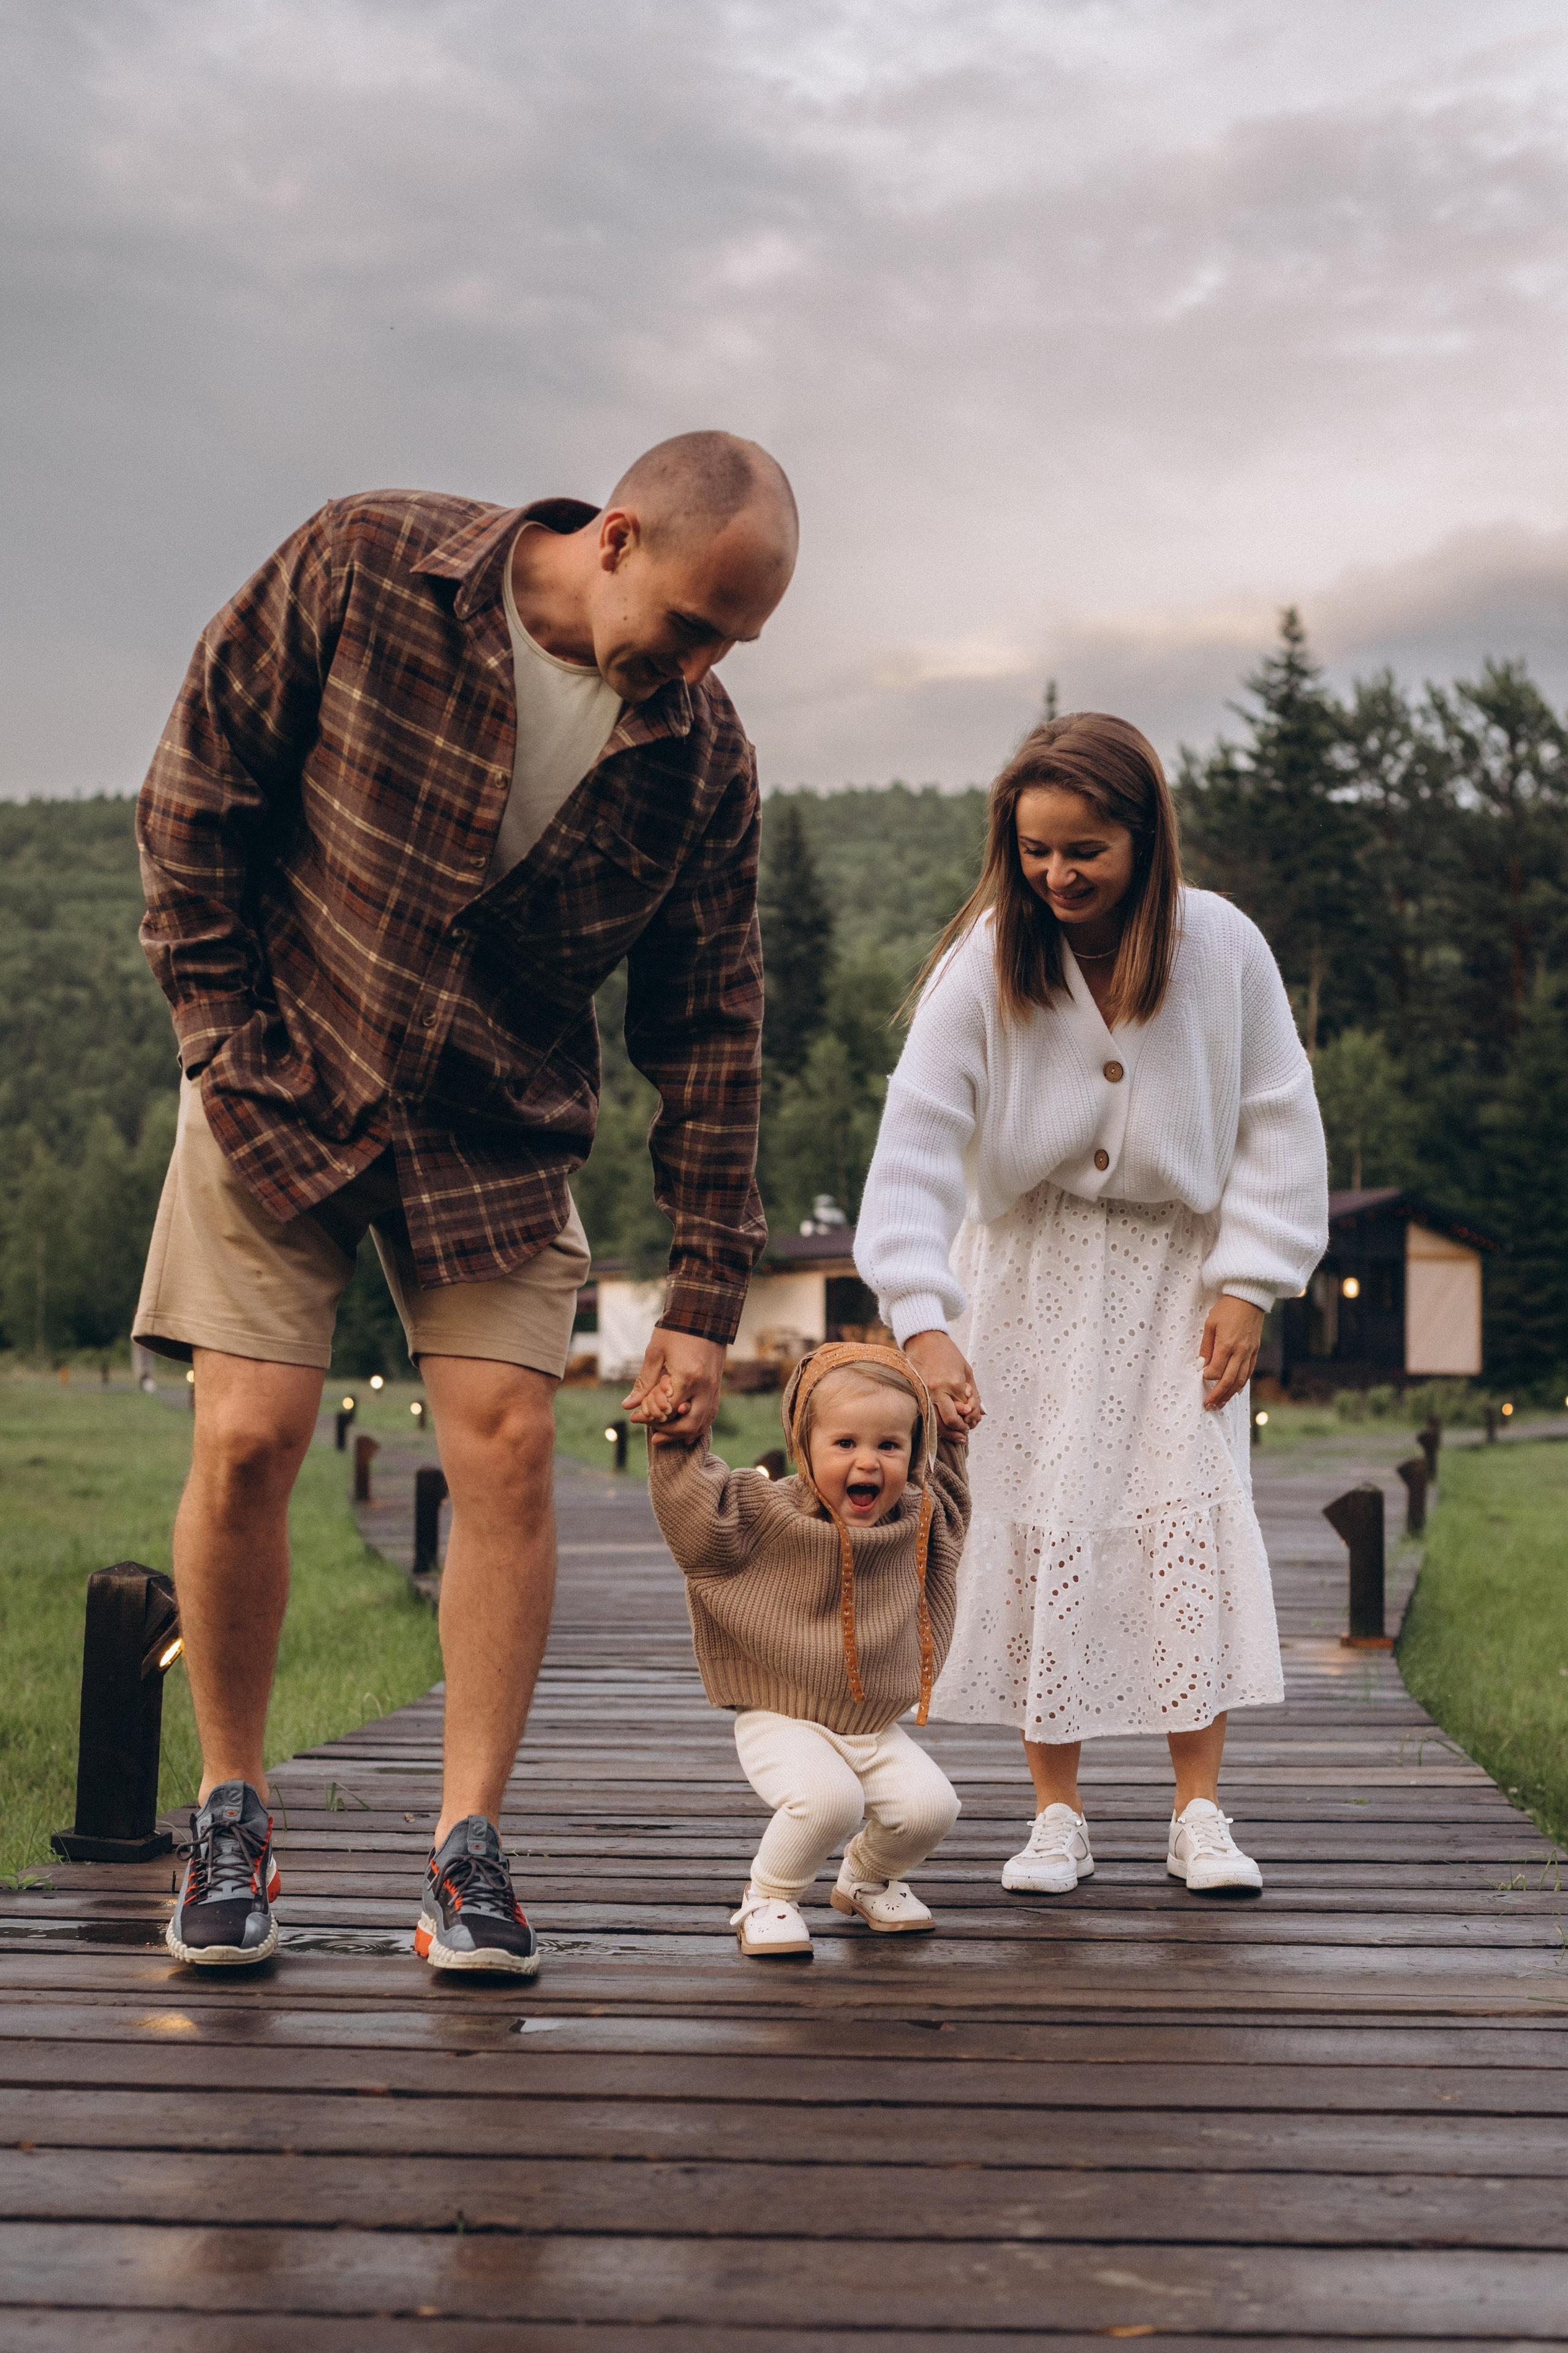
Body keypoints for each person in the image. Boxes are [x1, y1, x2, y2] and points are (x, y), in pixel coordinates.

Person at [135, 431, 797, 1974]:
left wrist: (706, 1290)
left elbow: (710, 1017)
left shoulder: (701, 755)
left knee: (504, 1450)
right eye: (695, 624)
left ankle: (466, 1851)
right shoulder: (365, 563)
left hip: (498, 1119)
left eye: (734, 646)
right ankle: (229, 1812)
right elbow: (196, 796)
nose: (701, 667)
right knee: (247, 1436)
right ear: (615, 536)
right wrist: (224, 1039)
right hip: (282, 1061)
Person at [854, 712, 1327, 1896]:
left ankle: (1199, 1810)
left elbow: (1278, 1117)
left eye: (1084, 852)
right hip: (1029, 1268)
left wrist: (1251, 1284)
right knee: (1038, 1511)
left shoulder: (1222, 946)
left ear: (1145, 839)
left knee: (1188, 1513)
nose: (1056, 877)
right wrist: (924, 1318)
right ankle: (1055, 1813)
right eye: (1033, 852)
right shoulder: (988, 958)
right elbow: (914, 1144)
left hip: (1184, 1278)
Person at [645, 1343, 970, 1957]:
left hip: (871, 1725)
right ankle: (767, 1898)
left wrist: (951, 1430)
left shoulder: (918, 1518)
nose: (867, 1462)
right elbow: (695, 1520)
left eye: (890, 1445)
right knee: (828, 1800)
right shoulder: (766, 1511)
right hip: (781, 1713)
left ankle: (865, 1879)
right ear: (802, 1446)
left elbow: (951, 1491)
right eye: (844, 1443)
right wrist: (678, 1432)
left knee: (932, 1808)